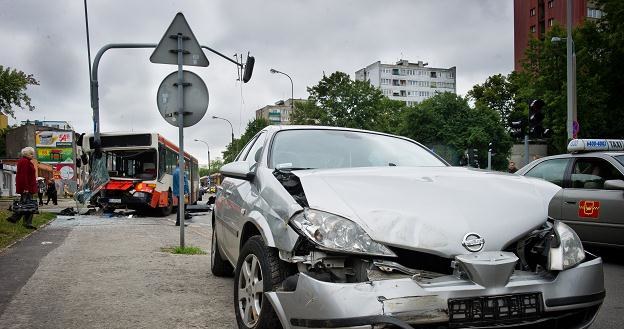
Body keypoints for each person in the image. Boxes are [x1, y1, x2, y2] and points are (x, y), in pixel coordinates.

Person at [6, 147, 37, 229]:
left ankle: (14, 218)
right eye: (31, 154)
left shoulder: (25, 161)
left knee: (25, 204)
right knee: (29, 206)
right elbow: (23, 176)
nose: (33, 155)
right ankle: (25, 222)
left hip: (27, 187)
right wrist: (26, 188)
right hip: (27, 188)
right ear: (26, 154)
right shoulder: (25, 162)